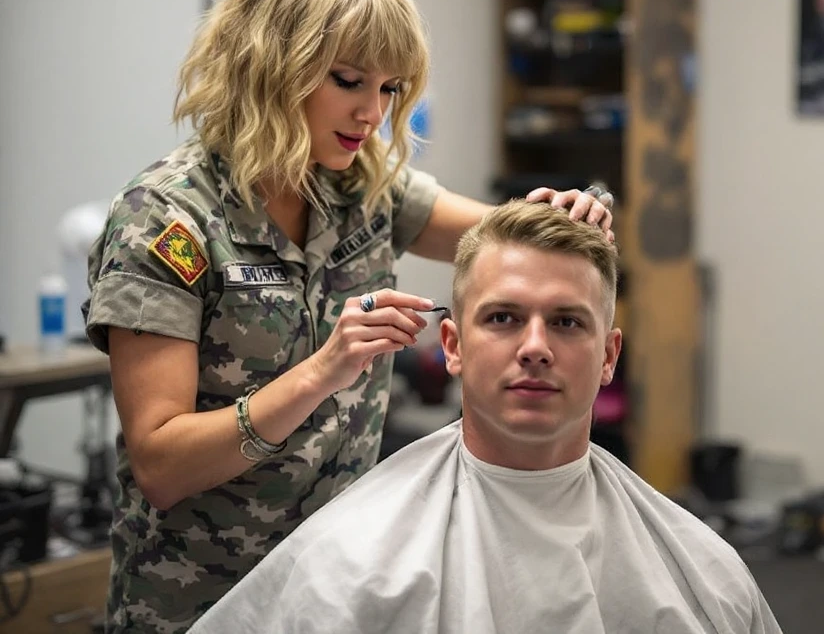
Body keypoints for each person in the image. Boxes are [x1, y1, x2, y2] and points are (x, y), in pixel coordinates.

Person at [81, 0, 614, 634]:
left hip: (337, 593)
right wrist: (319, 373)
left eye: (390, 87)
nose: (374, 113)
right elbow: (162, 465)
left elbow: (504, 241)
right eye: (349, 80)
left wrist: (573, 210)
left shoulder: (363, 189)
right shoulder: (168, 222)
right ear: (272, 64)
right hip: (200, 607)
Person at [189, 200, 783, 634]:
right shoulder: (353, 565)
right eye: (502, 318)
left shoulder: (702, 577)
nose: (534, 346)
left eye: (567, 321)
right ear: (451, 345)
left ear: (608, 357)